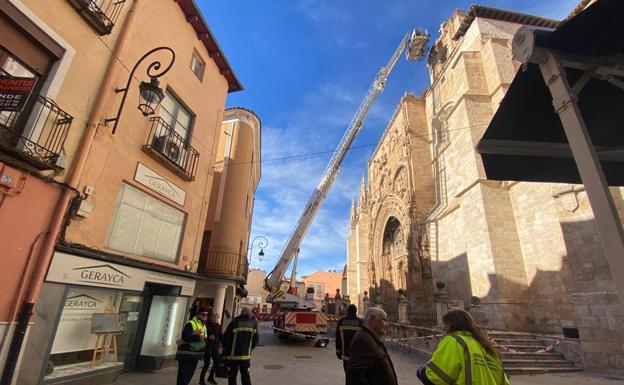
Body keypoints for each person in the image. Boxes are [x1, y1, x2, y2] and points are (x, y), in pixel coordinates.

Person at [417, 309, 510, 385]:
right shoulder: (489, 349)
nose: (444, 330)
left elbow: (434, 378)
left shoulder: (454, 341)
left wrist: (421, 372)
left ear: (451, 325)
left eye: (445, 325)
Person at [346, 307, 397, 385]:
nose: (387, 325)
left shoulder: (370, 338)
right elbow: (356, 375)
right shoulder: (363, 340)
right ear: (371, 319)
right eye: (384, 320)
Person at [222, 307, 259, 385]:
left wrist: (226, 348)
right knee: (246, 376)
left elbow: (225, 338)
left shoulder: (234, 323)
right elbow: (255, 340)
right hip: (246, 356)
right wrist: (249, 348)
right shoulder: (253, 324)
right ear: (250, 314)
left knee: (232, 376)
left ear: (241, 313)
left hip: (232, 356)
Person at [176, 307, 208, 385]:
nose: (205, 316)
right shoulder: (191, 323)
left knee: (189, 374)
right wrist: (198, 337)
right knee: (183, 374)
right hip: (186, 353)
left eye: (206, 314)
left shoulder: (203, 326)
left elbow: (205, 339)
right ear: (198, 314)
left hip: (195, 354)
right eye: (203, 314)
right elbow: (185, 336)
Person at [335, 304, 363, 373]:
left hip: (345, 355)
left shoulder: (342, 321)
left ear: (347, 311)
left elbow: (338, 337)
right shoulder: (360, 322)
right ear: (356, 311)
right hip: (357, 355)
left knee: (348, 373)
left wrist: (338, 352)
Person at [199, 313, 222, 385]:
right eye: (214, 318)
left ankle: (211, 377)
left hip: (215, 347)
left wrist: (221, 345)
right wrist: (208, 337)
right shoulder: (206, 325)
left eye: (217, 318)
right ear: (211, 318)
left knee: (217, 362)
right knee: (206, 364)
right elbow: (202, 335)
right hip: (208, 346)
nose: (215, 319)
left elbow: (220, 336)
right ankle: (201, 380)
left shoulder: (218, 326)